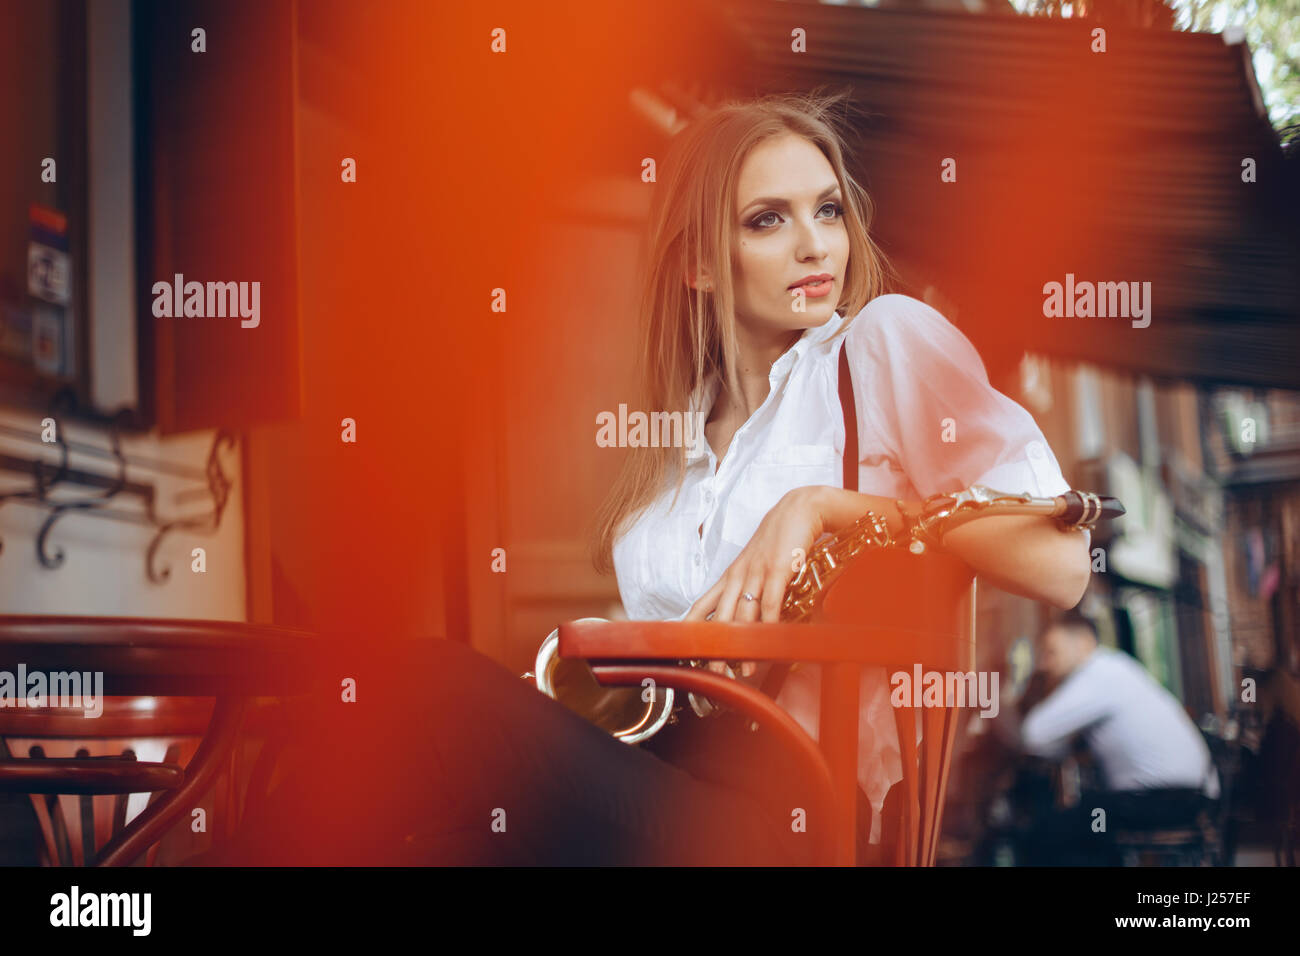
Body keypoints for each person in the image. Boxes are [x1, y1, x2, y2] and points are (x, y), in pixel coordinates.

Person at [202, 90, 1092, 866]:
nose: (816, 244)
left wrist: (819, 509)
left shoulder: (881, 342)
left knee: (426, 686)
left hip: (796, 823)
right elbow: (657, 688)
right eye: (767, 219)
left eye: (827, 210)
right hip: (661, 784)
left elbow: (1059, 565)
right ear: (701, 266)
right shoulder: (678, 446)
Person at [1007, 610, 1220, 863]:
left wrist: (1005, 697)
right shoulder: (1115, 667)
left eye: (1052, 652)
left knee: (1044, 833)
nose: (1044, 664)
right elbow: (1051, 745)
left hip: (1167, 799)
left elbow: (1032, 734)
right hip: (1188, 796)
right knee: (1086, 822)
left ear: (1084, 642)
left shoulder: (1097, 673)